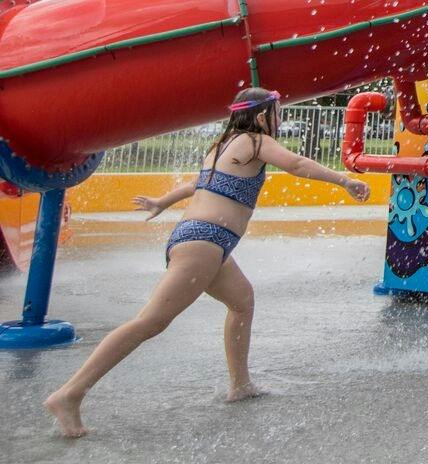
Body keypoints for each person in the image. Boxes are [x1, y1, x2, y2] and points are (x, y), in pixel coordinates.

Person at [44, 88, 370, 437]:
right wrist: (345, 180)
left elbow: (195, 185)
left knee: (242, 301)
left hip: (205, 241)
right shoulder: (256, 141)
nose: (280, 119)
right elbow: (298, 164)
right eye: (278, 113)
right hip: (204, 243)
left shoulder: (222, 146)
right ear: (262, 116)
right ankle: (70, 394)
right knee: (150, 322)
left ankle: (240, 385)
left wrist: (162, 202)